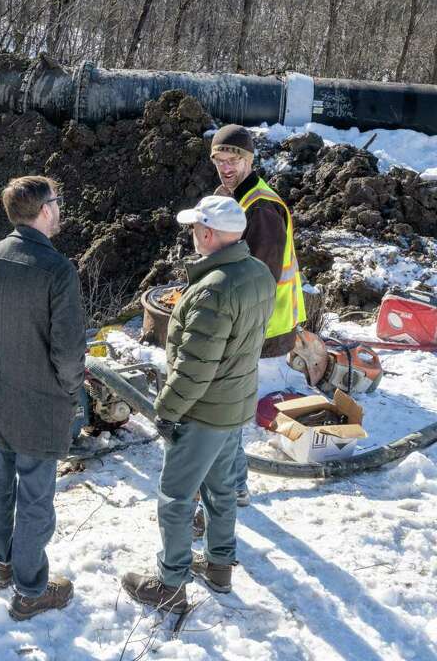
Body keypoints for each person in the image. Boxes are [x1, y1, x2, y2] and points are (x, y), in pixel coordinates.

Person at [121, 195, 275, 612]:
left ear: (208, 233)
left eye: (194, 228)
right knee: (222, 490)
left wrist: (166, 411)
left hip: (204, 411)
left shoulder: (212, 291)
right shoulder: (258, 273)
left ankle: (170, 585)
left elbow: (194, 368)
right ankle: (220, 566)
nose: (191, 234)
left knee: (175, 498)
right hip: (235, 406)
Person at [0, 175, 84, 620]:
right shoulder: (58, 270)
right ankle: (31, 590)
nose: (61, 207)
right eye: (58, 200)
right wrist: (71, 391)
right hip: (41, 402)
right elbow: (68, 350)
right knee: (34, 497)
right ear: (45, 210)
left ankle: (1, 564)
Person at [210, 123, 306, 507]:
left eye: (234, 158)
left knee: (229, 404)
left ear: (250, 159)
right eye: (219, 159)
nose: (226, 166)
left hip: (260, 322)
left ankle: (233, 485)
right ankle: (232, 482)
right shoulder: (238, 198)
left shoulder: (261, 208)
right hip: (252, 319)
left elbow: (257, 277)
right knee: (228, 402)